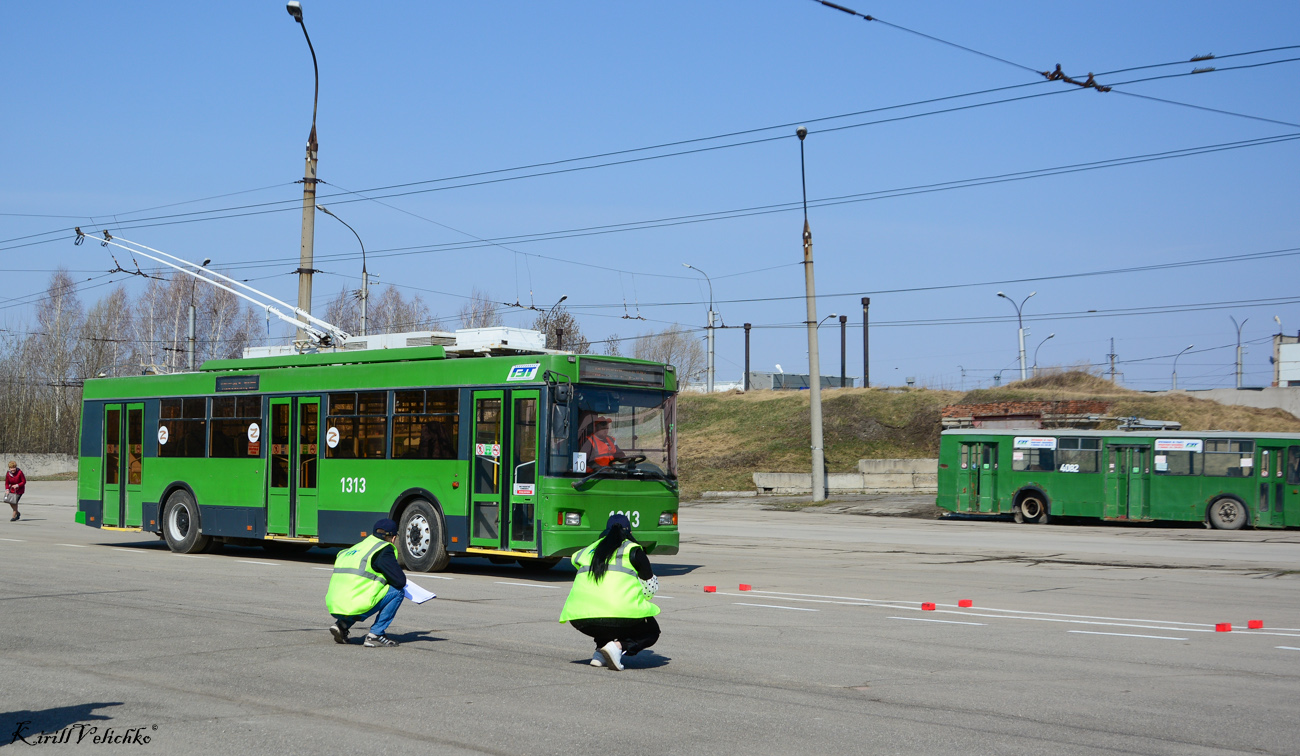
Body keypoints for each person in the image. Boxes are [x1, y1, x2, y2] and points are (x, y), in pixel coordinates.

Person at [559, 513, 660, 671]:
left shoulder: (587, 551)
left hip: (580, 618)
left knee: (601, 607)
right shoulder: (633, 550)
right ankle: (617, 647)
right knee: (651, 630)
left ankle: (600, 653)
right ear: (630, 533)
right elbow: (649, 591)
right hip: (616, 616)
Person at [325, 518, 407, 647]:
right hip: (354, 605)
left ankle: (342, 625)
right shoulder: (383, 549)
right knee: (397, 591)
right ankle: (376, 634)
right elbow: (400, 581)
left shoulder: (356, 548)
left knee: (357, 593)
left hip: (335, 605)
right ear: (393, 537)